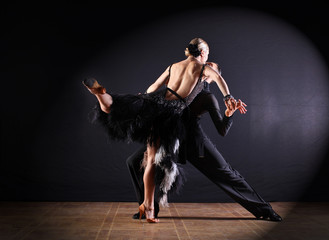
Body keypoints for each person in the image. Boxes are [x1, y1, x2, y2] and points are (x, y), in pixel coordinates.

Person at [83, 38, 246, 223]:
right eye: (207, 54)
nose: (207, 59)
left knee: (116, 106)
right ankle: (149, 207)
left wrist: (145, 99)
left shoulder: (173, 66)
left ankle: (101, 95)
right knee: (152, 159)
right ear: (202, 53)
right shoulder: (201, 68)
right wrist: (228, 97)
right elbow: (219, 78)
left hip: (154, 102)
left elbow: (153, 86)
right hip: (170, 113)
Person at [127, 62, 282, 222]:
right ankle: (148, 208)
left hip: (195, 144)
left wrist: (229, 114)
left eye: (209, 67)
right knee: (134, 162)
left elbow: (222, 130)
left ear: (213, 77)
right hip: (170, 141)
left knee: (227, 175)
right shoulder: (178, 86)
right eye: (205, 64)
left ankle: (265, 210)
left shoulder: (208, 97)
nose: (203, 66)